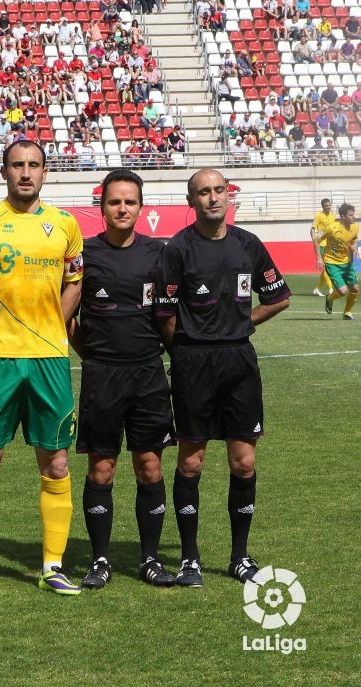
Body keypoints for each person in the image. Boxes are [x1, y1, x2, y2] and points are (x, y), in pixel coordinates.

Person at [0, 140, 84, 598]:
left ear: (46, 172)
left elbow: (75, 285)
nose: (26, 173)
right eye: (17, 165)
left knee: (57, 460)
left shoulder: (66, 225)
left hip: (49, 360)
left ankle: (52, 565)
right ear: (3, 172)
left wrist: (51, 331)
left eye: (34, 166)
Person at [154, 168, 291, 588]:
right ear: (191, 201)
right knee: (191, 460)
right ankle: (190, 559)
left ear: (228, 195)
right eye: (203, 192)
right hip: (194, 363)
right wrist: (192, 343)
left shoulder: (248, 244)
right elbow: (165, 315)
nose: (213, 198)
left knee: (244, 461)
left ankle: (239, 557)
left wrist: (240, 325)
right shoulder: (177, 249)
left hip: (239, 362)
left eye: (218, 190)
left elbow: (279, 297)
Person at [69, 170, 176, 590]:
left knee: (150, 466)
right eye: (115, 201)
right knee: (102, 469)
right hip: (102, 377)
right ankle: (100, 561)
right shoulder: (85, 254)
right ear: (102, 207)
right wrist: (92, 357)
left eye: (130, 201)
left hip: (149, 374)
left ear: (141, 207)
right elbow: (67, 316)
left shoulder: (159, 253)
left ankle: (150, 559)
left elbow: (169, 315)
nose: (122, 208)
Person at [321, 203, 359, 320]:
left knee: (355, 289)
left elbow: (353, 240)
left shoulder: (355, 227)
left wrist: (355, 248)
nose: (354, 217)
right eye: (351, 215)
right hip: (332, 263)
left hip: (346, 263)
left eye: (354, 214)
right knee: (343, 291)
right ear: (343, 216)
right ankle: (329, 298)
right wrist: (318, 257)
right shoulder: (332, 228)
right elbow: (317, 240)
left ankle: (347, 313)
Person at [310, 198, 336, 297]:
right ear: (323, 207)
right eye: (326, 206)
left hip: (329, 244)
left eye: (329, 205)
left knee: (328, 267)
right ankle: (330, 289)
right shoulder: (319, 215)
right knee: (326, 268)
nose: (328, 207)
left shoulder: (333, 216)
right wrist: (314, 239)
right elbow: (312, 229)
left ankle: (317, 289)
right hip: (321, 244)